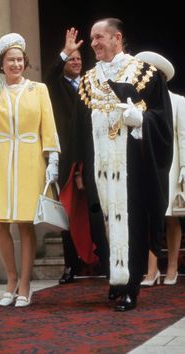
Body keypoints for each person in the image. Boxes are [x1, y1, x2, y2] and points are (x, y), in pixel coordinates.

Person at [61, 18, 173, 311]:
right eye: (92, 38)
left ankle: (131, 287)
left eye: (99, 37)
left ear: (117, 38)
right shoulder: (88, 80)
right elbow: (80, 129)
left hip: (133, 168)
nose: (94, 43)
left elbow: (162, 120)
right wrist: (81, 169)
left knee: (132, 222)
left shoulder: (146, 74)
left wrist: (141, 122)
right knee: (105, 223)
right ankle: (116, 279)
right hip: (99, 168)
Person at [0, 33, 60, 307]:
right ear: (1, 64)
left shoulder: (38, 89)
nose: (16, 64)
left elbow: (49, 126)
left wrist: (53, 159)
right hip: (1, 162)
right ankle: (10, 279)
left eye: (20, 59)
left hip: (30, 160)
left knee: (25, 223)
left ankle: (25, 284)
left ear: (25, 62)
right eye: (11, 60)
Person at [45, 28, 108, 283]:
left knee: (96, 211)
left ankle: (103, 263)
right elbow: (49, 75)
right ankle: (70, 266)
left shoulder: (92, 84)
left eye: (79, 59)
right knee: (68, 214)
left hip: (93, 156)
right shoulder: (56, 86)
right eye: (71, 59)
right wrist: (65, 51)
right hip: (68, 157)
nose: (76, 61)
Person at [135, 52, 185, 287]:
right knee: (149, 216)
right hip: (147, 164)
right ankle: (152, 270)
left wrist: (184, 166)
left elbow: (182, 137)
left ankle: (172, 266)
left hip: (171, 165)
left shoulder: (178, 101)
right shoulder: (138, 102)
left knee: (170, 218)